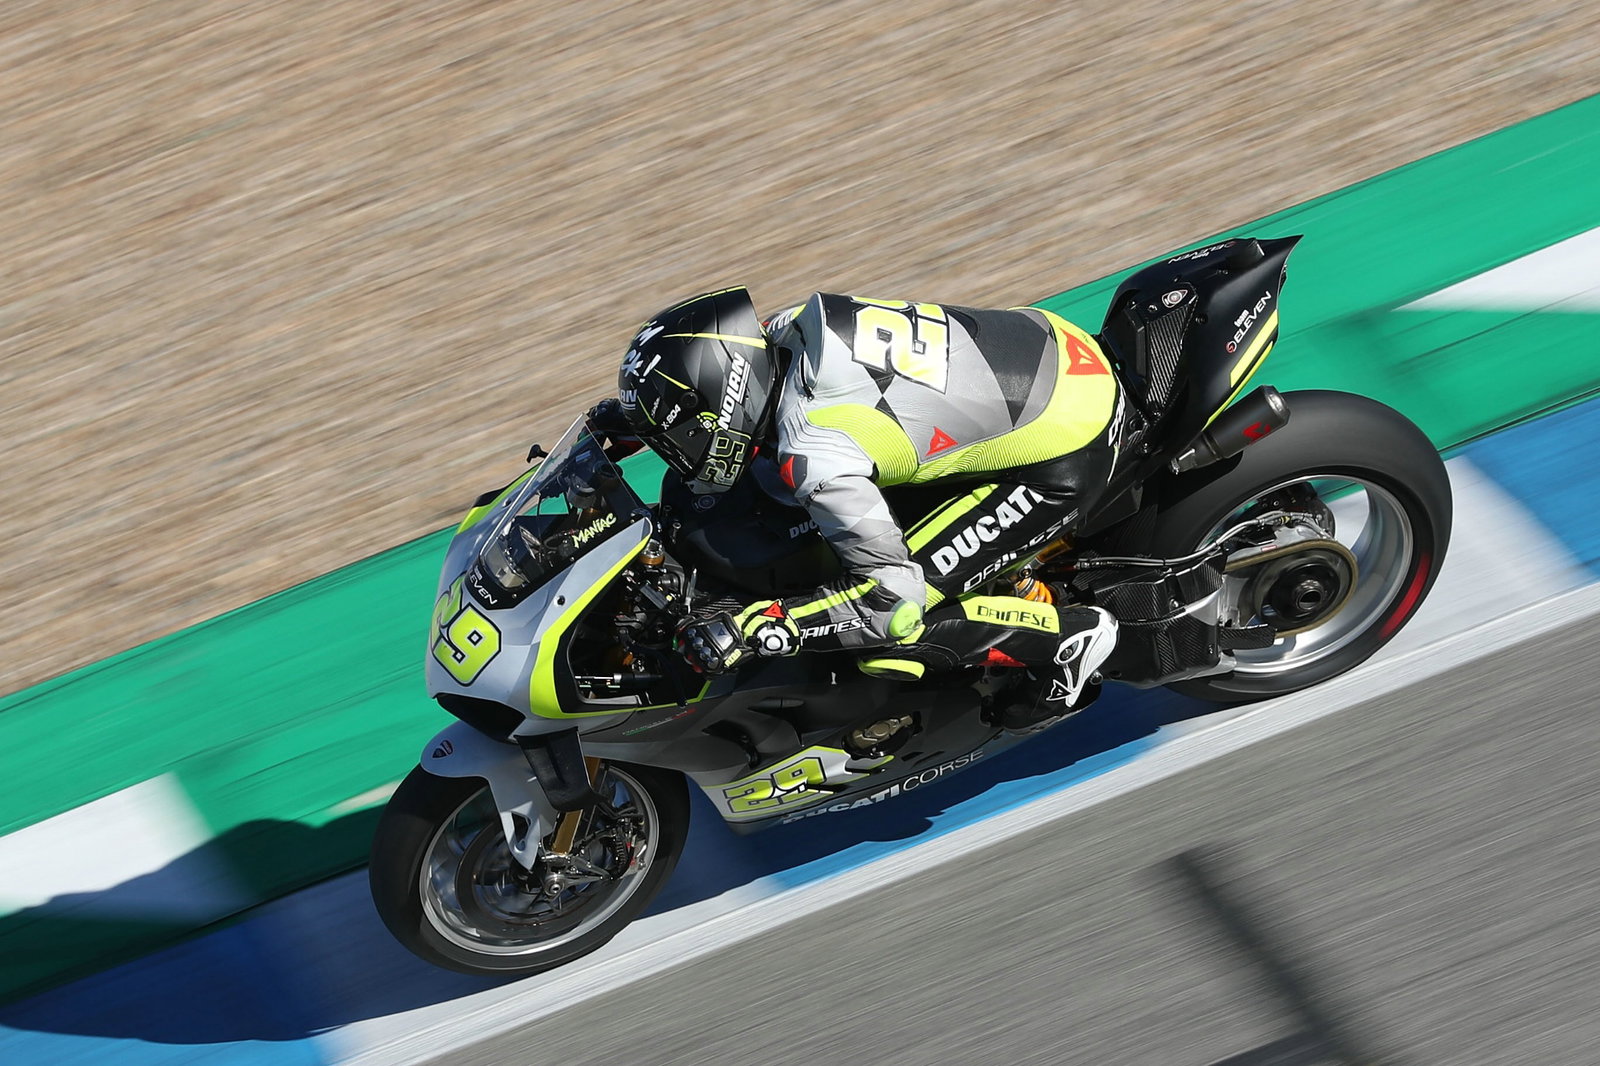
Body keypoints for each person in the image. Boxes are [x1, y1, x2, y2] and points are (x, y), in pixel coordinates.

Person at [597, 285, 1123, 731]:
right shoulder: (784, 331)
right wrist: (634, 421)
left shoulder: (816, 454)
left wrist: (758, 627)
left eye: (681, 436)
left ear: (724, 398)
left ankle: (1066, 640)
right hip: (1053, 345)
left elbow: (894, 602)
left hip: (1065, 450)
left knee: (888, 635)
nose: (679, 452)